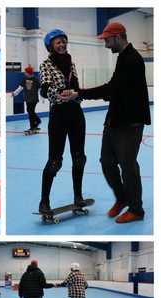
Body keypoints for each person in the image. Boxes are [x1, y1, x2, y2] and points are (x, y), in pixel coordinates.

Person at [61, 22, 150, 223]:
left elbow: (113, 87)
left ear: (118, 37)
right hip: (115, 119)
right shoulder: (122, 58)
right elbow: (120, 90)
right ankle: (122, 197)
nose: (106, 45)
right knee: (107, 161)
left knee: (128, 166)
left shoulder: (132, 60)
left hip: (130, 122)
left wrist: (78, 93)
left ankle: (136, 210)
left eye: (107, 41)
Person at [38, 29, 87, 213]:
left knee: (79, 158)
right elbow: (46, 87)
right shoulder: (46, 65)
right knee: (54, 161)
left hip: (75, 112)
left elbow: (75, 85)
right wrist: (61, 94)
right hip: (58, 114)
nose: (62, 44)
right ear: (51, 45)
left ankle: (78, 195)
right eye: (58, 42)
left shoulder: (70, 61)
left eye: (64, 41)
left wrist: (74, 93)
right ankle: (44, 201)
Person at [12, 65, 42, 132]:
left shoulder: (36, 79)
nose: (24, 73)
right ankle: (37, 121)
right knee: (29, 111)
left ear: (29, 73)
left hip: (34, 99)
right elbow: (20, 87)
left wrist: (42, 97)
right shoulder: (24, 79)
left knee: (31, 112)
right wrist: (14, 93)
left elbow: (40, 89)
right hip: (27, 98)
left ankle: (32, 127)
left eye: (25, 72)